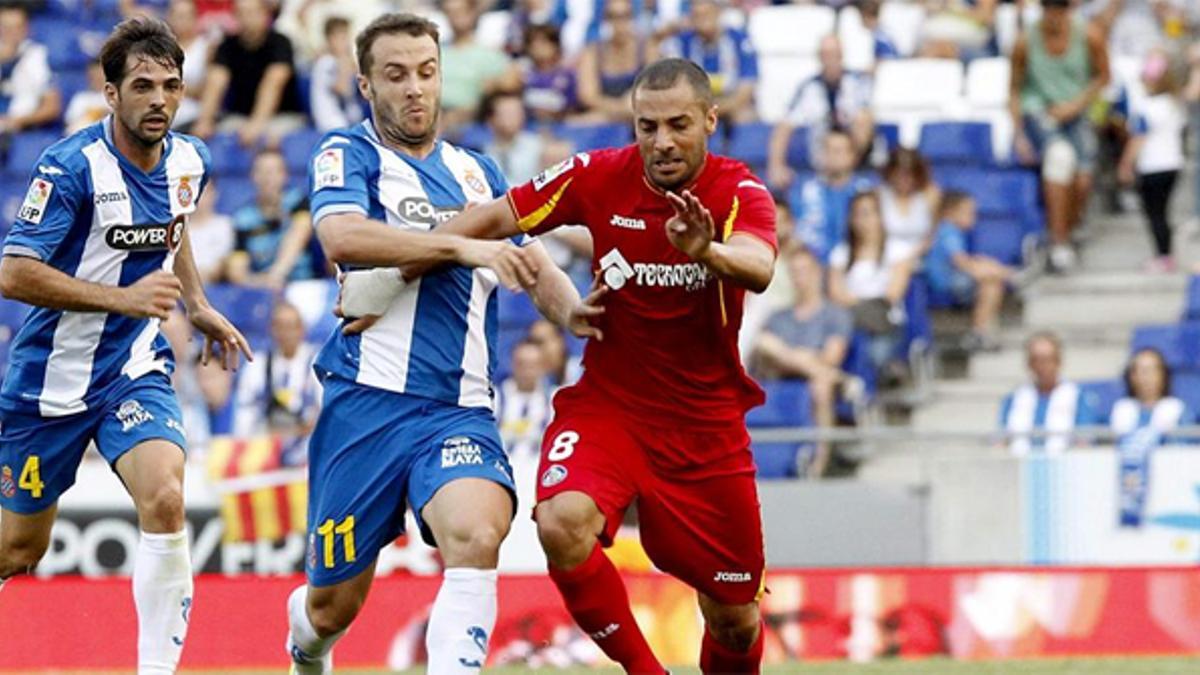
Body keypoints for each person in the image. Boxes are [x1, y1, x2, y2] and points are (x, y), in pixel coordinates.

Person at [346, 56, 780, 674]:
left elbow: (759, 267)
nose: (661, 142)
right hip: (612, 407)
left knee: (735, 623)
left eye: (678, 125)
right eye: (646, 126)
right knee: (560, 522)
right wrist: (395, 274)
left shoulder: (739, 193)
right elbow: (493, 217)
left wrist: (704, 250)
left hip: (706, 430)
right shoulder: (598, 175)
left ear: (710, 121)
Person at [282, 13, 546, 674]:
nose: (415, 89)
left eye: (427, 73)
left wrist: (581, 316)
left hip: (457, 408)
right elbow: (342, 236)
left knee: (477, 532)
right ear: (366, 85)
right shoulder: (348, 153)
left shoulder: (478, 173)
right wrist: (458, 242)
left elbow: (532, 260)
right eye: (396, 75)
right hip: (364, 407)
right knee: (331, 609)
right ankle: (306, 647)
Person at [0, 17, 251, 674]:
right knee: (19, 546)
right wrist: (124, 298)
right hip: (49, 379)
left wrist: (196, 304)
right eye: (142, 86)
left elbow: (176, 224)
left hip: (133, 366)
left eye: (171, 85)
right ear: (110, 94)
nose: (159, 100)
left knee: (166, 494)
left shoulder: (189, 159)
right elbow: (13, 271)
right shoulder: (71, 165)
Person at [1011, 0, 1110, 273]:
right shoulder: (1024, 41)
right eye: (1049, 8)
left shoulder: (1089, 36)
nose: (1054, 16)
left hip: (1077, 112)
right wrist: (1018, 132)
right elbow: (1015, 88)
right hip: (1040, 112)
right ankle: (1059, 242)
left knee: (1083, 180)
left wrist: (1076, 105)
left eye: (1059, 8)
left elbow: (1103, 77)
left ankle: (1069, 226)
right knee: (1060, 158)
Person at [754, 242, 854, 478]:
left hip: (823, 382)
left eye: (805, 271)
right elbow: (767, 357)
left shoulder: (835, 314)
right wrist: (804, 357)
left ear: (817, 273)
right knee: (764, 344)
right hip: (781, 379)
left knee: (820, 385)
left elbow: (831, 357)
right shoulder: (778, 317)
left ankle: (820, 462)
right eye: (794, 272)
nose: (800, 278)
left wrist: (787, 355)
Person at [193, 0, 308, 146]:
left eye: (251, 12)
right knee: (216, 139)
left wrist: (256, 124)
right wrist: (204, 121)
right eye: (240, 13)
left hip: (282, 116)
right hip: (239, 117)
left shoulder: (281, 42)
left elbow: (274, 82)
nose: (246, 18)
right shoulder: (227, 45)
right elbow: (216, 82)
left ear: (265, 14)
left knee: (269, 139)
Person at [769, 34, 874, 189]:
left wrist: (846, 158)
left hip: (855, 161)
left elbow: (866, 120)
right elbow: (784, 127)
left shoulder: (856, 83)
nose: (830, 60)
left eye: (834, 54)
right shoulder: (808, 88)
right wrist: (776, 165)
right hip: (820, 163)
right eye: (825, 55)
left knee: (862, 121)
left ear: (841, 55)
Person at [828, 191, 914, 375]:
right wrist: (863, 305)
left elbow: (893, 294)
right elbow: (836, 293)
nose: (862, 221)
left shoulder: (899, 251)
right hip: (848, 323)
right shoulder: (840, 253)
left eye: (867, 214)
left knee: (874, 355)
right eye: (857, 215)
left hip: (885, 324)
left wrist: (855, 303)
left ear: (879, 216)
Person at [1118, 48, 1186, 273]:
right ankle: (1167, 255)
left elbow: (1138, 138)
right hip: (1173, 164)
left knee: (1155, 213)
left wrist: (1126, 164)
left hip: (1153, 166)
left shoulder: (1147, 107)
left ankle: (1163, 256)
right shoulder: (1174, 104)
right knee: (1163, 213)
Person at [925, 191, 1013, 352]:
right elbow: (961, 262)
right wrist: (987, 272)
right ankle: (979, 332)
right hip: (946, 283)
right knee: (991, 284)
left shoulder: (950, 232)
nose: (973, 217)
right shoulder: (948, 232)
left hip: (954, 278)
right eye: (968, 213)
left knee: (985, 264)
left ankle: (1007, 274)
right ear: (949, 213)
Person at [226, 148, 322, 288]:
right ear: (252, 176)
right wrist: (259, 282)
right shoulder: (243, 218)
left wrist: (277, 274)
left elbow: (300, 232)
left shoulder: (298, 201)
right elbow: (236, 270)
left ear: (285, 175)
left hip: (303, 285)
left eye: (273, 171)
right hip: (261, 288)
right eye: (261, 171)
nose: (267, 178)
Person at [1000, 331, 1098, 455]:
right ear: (1028, 364)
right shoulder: (1013, 398)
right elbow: (1001, 441)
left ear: (1058, 361)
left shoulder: (1078, 397)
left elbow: (1084, 442)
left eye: (1047, 360)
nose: (1041, 366)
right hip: (1018, 467)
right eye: (1035, 360)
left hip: (1062, 467)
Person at [232, 301, 321, 438]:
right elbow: (245, 409)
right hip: (268, 439)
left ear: (302, 329)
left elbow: (326, 406)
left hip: (308, 441)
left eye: (291, 327)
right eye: (280, 326)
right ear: (272, 329)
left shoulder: (317, 363)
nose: (286, 333)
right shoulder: (257, 365)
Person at [661, 0, 758, 123]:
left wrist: (717, 108)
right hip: (693, 105)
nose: (703, 22)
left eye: (707, 15)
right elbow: (672, 86)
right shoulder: (682, 42)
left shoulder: (739, 40)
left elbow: (747, 87)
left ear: (718, 13)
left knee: (744, 116)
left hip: (729, 102)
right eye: (697, 16)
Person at [791, 129, 874, 263]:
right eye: (827, 150)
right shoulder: (804, 190)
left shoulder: (867, 190)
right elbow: (794, 232)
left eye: (838, 151)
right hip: (813, 265)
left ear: (853, 156)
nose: (832, 156)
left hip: (855, 263)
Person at [440, 0, 515, 129]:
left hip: (470, 122)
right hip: (435, 117)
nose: (455, 17)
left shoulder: (489, 54)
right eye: (450, 13)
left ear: (472, 13)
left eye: (460, 12)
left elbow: (512, 81)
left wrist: (494, 87)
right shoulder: (436, 51)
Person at [576, 0, 654, 122]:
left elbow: (653, 87)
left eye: (625, 16)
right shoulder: (593, 51)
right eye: (614, 17)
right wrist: (621, 109)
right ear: (606, 19)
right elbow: (588, 96)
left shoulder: (646, 48)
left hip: (639, 117)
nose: (619, 23)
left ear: (632, 17)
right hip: (610, 117)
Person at [0, 2, 61, 135]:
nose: (10, 33)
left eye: (16, 27)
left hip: (21, 131)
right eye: (5, 28)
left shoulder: (38, 56)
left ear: (27, 29)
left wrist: (18, 121)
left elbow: (52, 107)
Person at [878, 148, 940, 261]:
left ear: (918, 175)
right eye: (898, 175)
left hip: (921, 258)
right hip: (886, 259)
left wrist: (913, 255)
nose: (903, 180)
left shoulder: (930, 195)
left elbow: (935, 234)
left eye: (909, 176)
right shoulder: (878, 196)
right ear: (890, 173)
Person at [496, 338, 553, 459]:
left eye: (533, 365)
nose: (527, 371)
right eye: (521, 364)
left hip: (538, 466)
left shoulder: (555, 400)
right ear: (512, 364)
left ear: (544, 366)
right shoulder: (494, 398)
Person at [165, 0, 214, 130]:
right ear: (170, 18)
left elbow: (207, 89)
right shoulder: (161, 49)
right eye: (178, 16)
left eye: (187, 16)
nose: (183, 21)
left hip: (193, 112)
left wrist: (171, 87)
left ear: (196, 18)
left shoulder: (207, 47)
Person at [310, 16, 364, 132]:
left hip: (350, 123)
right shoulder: (324, 63)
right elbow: (343, 89)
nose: (347, 42)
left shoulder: (341, 61)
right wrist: (344, 59)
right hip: (331, 124)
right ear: (331, 39)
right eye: (343, 38)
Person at [482, 89, 546, 185]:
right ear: (491, 119)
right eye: (507, 113)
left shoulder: (539, 146)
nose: (513, 118)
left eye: (517, 112)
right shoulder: (481, 152)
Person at [520, 23, 580, 124]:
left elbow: (574, 107)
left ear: (555, 45)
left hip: (561, 127)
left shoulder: (568, 76)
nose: (537, 46)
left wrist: (556, 115)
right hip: (529, 127)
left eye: (543, 42)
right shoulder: (522, 74)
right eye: (532, 42)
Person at [64, 60, 111, 134]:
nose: (97, 78)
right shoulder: (80, 98)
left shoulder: (114, 96)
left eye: (100, 75)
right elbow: (70, 122)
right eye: (93, 75)